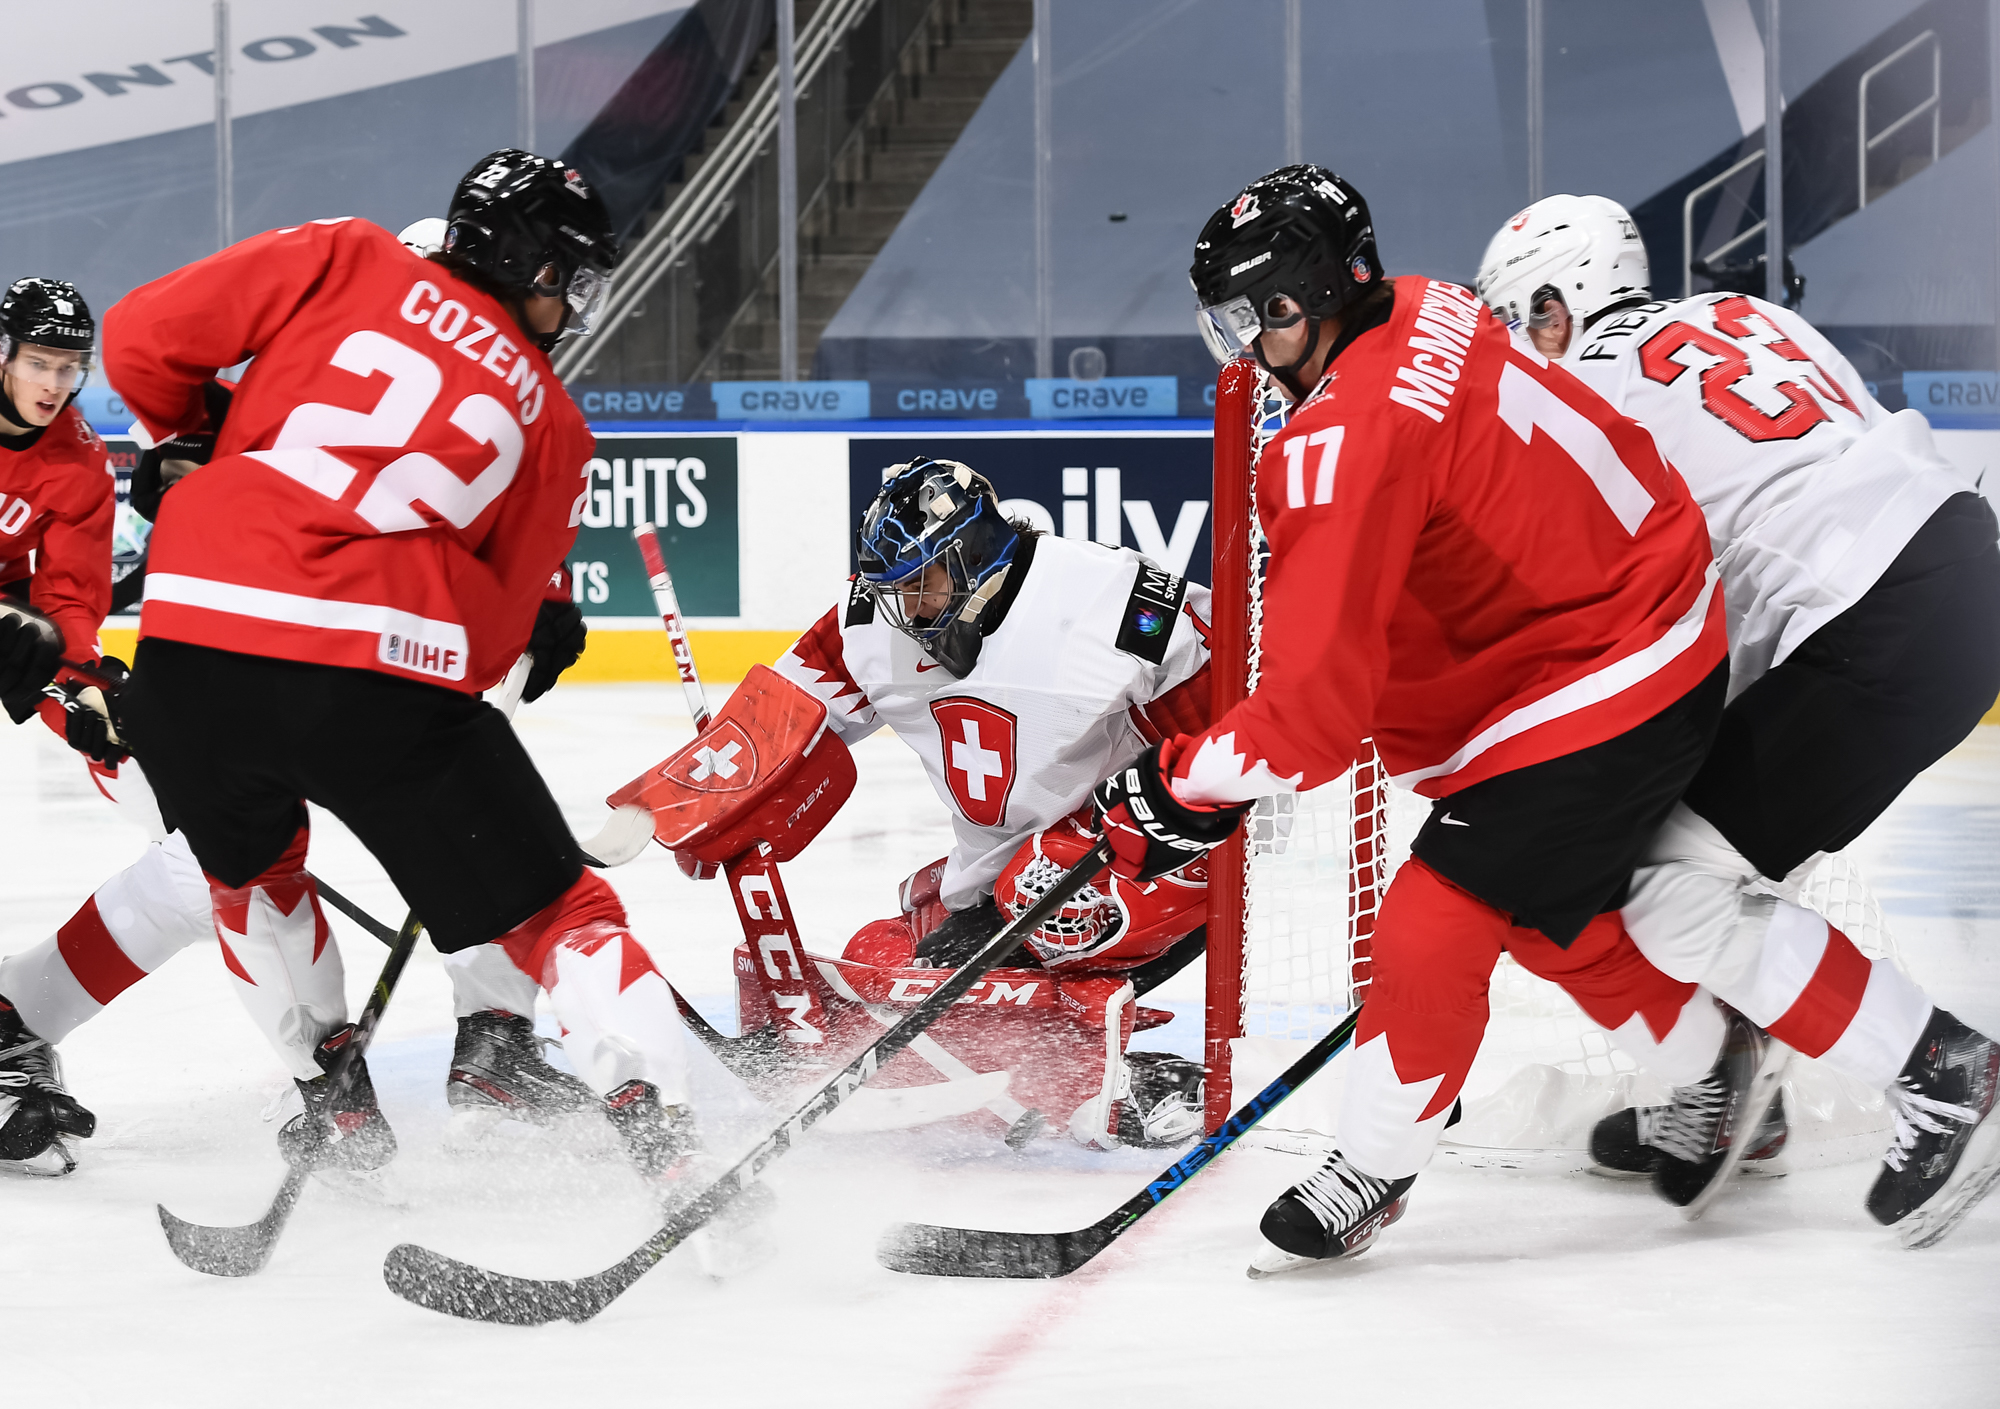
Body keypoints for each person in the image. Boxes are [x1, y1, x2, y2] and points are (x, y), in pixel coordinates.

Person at [1093, 164, 1736, 1275]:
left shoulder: (1341, 439)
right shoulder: (1426, 301)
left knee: (1432, 919)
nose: (1245, 346)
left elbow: (1307, 724)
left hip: (1601, 664)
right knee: (1542, 914)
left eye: (1254, 318)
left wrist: (1179, 785)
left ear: (1302, 301)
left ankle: (1372, 1162)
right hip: (1630, 619)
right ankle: (1713, 1067)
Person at [97, 149, 700, 1180]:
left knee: (248, 875)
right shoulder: (552, 423)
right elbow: (493, 640)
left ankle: (334, 1108)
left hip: (186, 650)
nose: (572, 299)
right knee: (564, 907)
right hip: (370, 681)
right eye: (566, 274)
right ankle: (665, 1128)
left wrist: (213, 441)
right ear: (529, 264)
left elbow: (139, 338)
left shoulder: (345, 253)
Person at [1476, 194, 2000, 1241]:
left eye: (1514, 319)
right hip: (1956, 557)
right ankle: (1738, 1096)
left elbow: (1602, 598)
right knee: (1721, 859)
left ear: (1552, 299)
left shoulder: (1579, 392)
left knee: (1662, 885)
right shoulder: (1750, 317)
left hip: (1863, 614)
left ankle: (1941, 1066)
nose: (1515, 348)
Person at [755, 456, 1215, 1148]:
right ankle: (1044, 1066)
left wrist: (1154, 819)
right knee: (875, 962)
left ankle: (1111, 1075)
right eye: (894, 590)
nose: (908, 609)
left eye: (922, 584)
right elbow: (782, 721)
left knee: (1040, 882)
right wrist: (718, 791)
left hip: (1143, 862)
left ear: (972, 553)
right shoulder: (875, 621)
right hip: (1004, 880)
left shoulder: (1117, 606)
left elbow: (1232, 750)